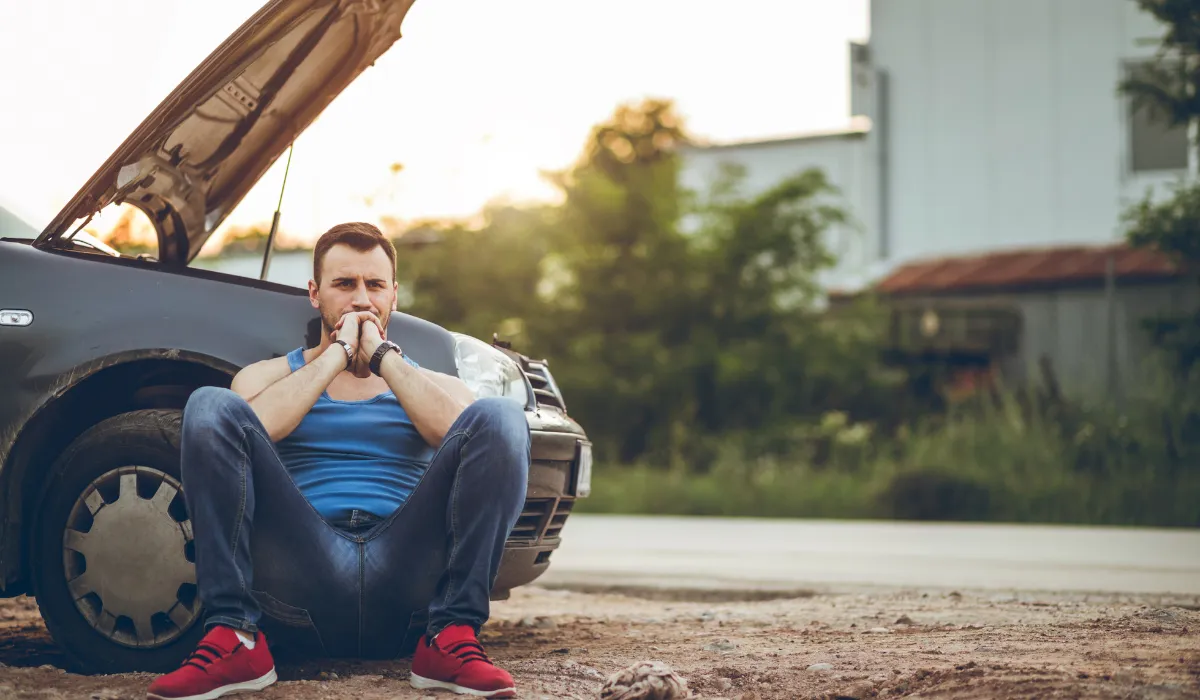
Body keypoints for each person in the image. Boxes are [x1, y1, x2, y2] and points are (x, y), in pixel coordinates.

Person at [147, 222, 530, 700]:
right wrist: (337, 354)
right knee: (209, 403)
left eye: (374, 285)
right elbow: (248, 427)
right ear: (315, 293)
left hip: (407, 572)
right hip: (300, 567)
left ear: (394, 294)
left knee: (500, 415)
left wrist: (383, 358)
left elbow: (466, 438)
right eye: (344, 284)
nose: (361, 300)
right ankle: (235, 637)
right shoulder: (263, 377)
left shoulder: (437, 386)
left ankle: (451, 636)